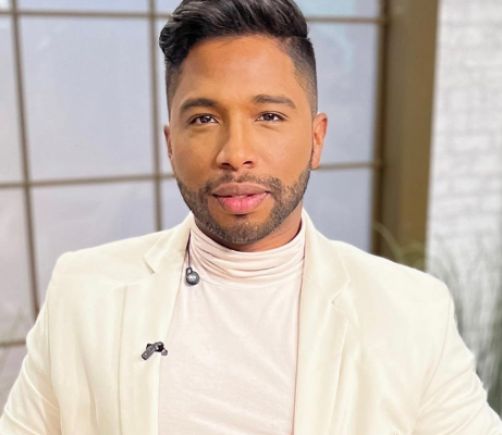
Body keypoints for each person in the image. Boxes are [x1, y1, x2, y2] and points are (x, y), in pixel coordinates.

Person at [1, 0, 501, 433]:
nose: (236, 154)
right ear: (171, 144)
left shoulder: (410, 313)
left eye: (269, 116)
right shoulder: (83, 291)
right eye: (204, 118)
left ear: (316, 139)